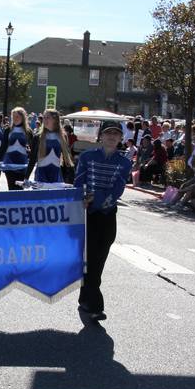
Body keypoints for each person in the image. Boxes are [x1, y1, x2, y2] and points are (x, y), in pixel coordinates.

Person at [73, 120, 132, 321]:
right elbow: (79, 181)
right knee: (89, 260)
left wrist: (101, 200)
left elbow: (118, 188)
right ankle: (94, 305)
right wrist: (84, 196)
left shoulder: (125, 162)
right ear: (101, 136)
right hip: (88, 214)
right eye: (108, 133)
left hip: (107, 215)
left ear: (121, 138)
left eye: (116, 134)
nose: (112, 137)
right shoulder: (87, 156)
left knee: (99, 259)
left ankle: (85, 298)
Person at [27, 109, 72, 184]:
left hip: (56, 175)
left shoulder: (62, 136)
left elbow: (67, 160)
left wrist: (70, 180)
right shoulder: (38, 137)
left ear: (55, 119)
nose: (44, 120)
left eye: (47, 117)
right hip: (41, 174)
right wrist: (26, 178)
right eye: (44, 117)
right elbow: (32, 159)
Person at [0, 107, 32, 191]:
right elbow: (3, 146)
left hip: (22, 163)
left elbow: (33, 148)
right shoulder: (8, 130)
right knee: (11, 187)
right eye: (13, 117)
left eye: (17, 116)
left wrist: (33, 160)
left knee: (19, 189)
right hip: (9, 162)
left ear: (23, 117)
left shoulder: (28, 131)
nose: (15, 119)